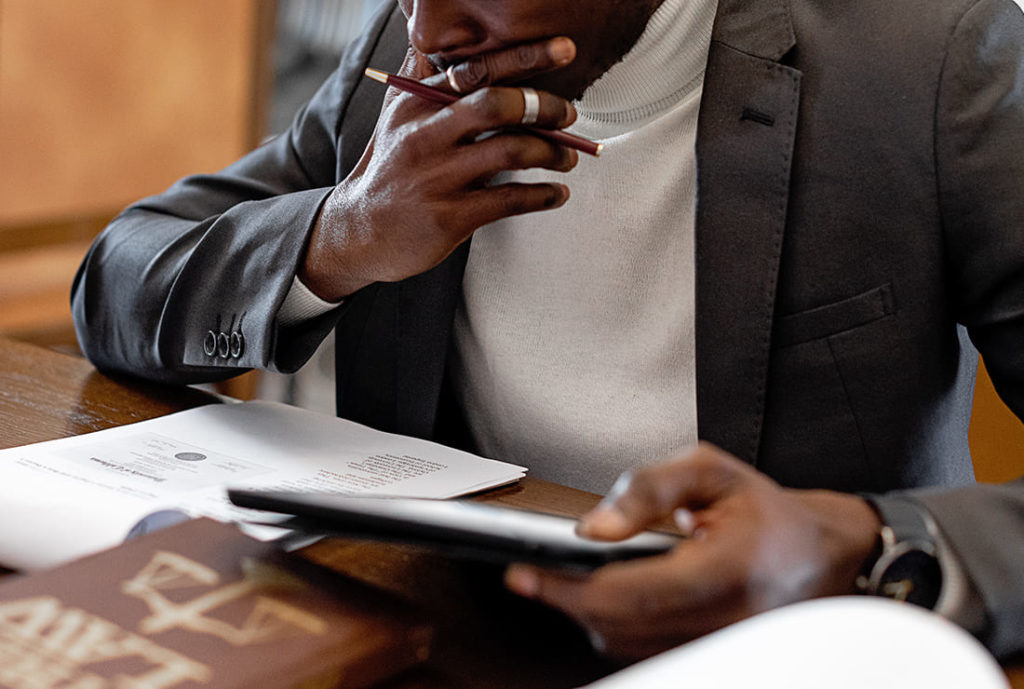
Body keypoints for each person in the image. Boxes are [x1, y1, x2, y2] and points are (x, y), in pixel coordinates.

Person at [71, 0, 1024, 662]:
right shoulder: (416, 62)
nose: (429, 33)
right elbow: (116, 278)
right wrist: (340, 234)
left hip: (790, 652)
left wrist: (866, 540)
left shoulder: (932, 62)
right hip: (461, 642)